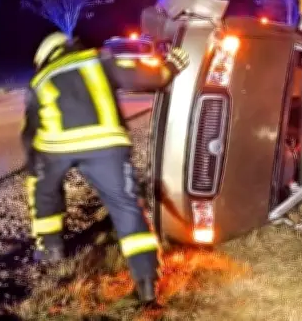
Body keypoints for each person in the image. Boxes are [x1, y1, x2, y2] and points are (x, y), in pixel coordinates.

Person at [21, 32, 190, 303]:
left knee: (44, 193)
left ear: (44, 58)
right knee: (125, 206)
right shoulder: (98, 59)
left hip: (55, 146)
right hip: (106, 145)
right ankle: (146, 282)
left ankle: (50, 249)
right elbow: (148, 78)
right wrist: (171, 66)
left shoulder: (39, 80)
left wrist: (37, 170)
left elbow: (29, 133)